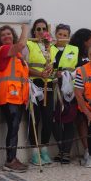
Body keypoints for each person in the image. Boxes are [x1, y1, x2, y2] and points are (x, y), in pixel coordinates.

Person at [0, 24, 29, 172]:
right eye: (3, 35)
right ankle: (10, 160)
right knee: (13, 128)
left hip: (18, 97)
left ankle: (13, 158)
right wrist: (25, 29)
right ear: (0, 39)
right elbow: (21, 44)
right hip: (8, 96)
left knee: (14, 128)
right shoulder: (3, 50)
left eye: (9, 34)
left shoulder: (18, 55)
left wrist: (41, 74)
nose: (7, 37)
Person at [25, 19, 54, 165]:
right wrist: (39, 73)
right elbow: (24, 66)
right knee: (34, 118)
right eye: (38, 29)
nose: (41, 32)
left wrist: (50, 70)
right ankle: (35, 152)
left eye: (44, 29)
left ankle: (44, 149)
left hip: (47, 84)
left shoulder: (50, 46)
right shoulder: (29, 44)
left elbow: (53, 66)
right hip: (34, 83)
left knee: (48, 119)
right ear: (34, 31)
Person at [50, 23, 79, 164]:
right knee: (55, 119)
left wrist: (68, 74)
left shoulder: (75, 49)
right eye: (60, 34)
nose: (62, 37)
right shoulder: (48, 48)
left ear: (69, 36)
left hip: (69, 87)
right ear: (55, 34)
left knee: (69, 119)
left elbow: (79, 68)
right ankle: (61, 149)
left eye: (65, 35)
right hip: (54, 86)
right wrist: (56, 73)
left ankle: (66, 152)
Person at [69, 28, 91, 161]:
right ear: (85, 41)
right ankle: (87, 149)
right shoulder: (73, 53)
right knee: (81, 121)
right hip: (78, 92)